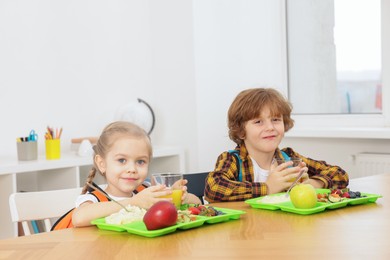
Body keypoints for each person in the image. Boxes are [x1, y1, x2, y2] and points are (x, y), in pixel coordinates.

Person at [204, 88, 349, 202]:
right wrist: (268, 187)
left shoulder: (290, 158)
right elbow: (214, 188)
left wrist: (313, 183)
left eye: (275, 119)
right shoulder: (232, 160)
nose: (270, 127)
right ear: (241, 131)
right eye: (258, 122)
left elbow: (340, 174)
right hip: (248, 233)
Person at [71, 121, 201, 227]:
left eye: (140, 161)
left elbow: (198, 203)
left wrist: (180, 196)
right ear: (102, 163)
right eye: (122, 160)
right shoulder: (94, 199)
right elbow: (79, 218)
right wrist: (134, 202)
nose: (132, 169)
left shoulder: (147, 191)